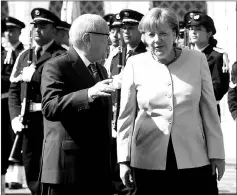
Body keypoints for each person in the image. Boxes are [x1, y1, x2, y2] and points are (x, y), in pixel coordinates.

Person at [117, 7, 225, 194]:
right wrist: (123, 160)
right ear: (144, 37)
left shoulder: (197, 60)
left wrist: (217, 153)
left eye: (163, 34)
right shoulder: (135, 64)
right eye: (150, 34)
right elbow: (126, 116)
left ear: (175, 34)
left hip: (193, 156)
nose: (157, 40)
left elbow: (209, 110)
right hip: (148, 158)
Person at [40, 14, 116, 195]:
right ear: (88, 39)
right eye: (106, 37)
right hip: (69, 170)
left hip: (97, 169)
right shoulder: (57, 65)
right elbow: (50, 107)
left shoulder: (100, 69)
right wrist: (89, 94)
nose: (111, 42)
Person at [8, 8, 66, 195]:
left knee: (49, 169)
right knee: (31, 166)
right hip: (28, 121)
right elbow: (14, 91)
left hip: (50, 121)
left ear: (54, 30)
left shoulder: (60, 55)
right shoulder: (25, 55)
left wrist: (36, 76)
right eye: (35, 26)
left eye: (43, 26)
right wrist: (14, 117)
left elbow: (62, 85)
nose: (37, 30)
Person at [184, 11, 230, 118]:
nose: (193, 32)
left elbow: (218, 90)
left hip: (207, 111)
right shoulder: (186, 54)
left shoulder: (217, 56)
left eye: (198, 29)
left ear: (209, 34)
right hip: (186, 111)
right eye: (191, 29)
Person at [1, 16, 26, 190]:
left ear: (19, 32)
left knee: (14, 138)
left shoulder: (23, 53)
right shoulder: (3, 52)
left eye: (12, 30)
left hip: (12, 100)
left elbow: (13, 80)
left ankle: (17, 177)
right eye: (6, 30)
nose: (9, 34)